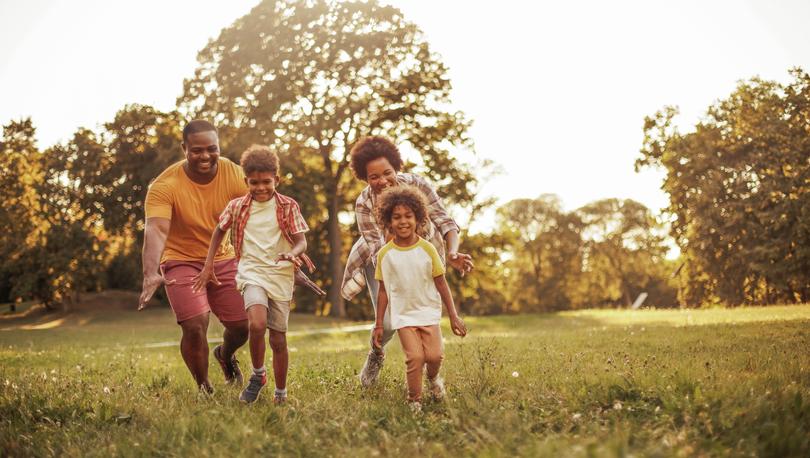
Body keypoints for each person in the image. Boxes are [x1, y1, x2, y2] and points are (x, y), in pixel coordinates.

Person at [341, 136, 474, 387]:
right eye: (374, 177)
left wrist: (453, 253)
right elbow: (378, 250)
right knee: (390, 322)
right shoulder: (364, 203)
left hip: (422, 256)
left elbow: (445, 221)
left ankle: (430, 370)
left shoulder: (417, 185)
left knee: (423, 311)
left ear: (396, 168)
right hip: (383, 258)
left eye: (387, 173)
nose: (382, 181)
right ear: (365, 178)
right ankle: (376, 354)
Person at [193, 145, 314, 404]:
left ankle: (280, 393)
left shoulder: (287, 206)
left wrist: (293, 253)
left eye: (266, 182)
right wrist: (208, 264)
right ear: (245, 181)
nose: (261, 188)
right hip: (251, 273)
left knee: (279, 339)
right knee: (256, 325)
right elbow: (218, 231)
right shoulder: (237, 207)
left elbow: (301, 241)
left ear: (277, 180)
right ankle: (258, 374)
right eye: (254, 182)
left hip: (280, 275)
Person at [138, 120, 249, 393]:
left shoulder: (234, 174)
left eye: (212, 149)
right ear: (184, 148)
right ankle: (204, 387)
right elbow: (156, 228)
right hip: (181, 259)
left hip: (223, 258)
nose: (206, 156)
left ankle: (224, 354)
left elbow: (259, 214)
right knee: (195, 325)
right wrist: (151, 272)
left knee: (242, 326)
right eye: (197, 150)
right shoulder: (165, 185)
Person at [371, 185, 467, 411]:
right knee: (415, 357)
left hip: (428, 312)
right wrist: (378, 324)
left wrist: (453, 316)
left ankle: (433, 379)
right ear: (388, 221)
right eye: (396, 217)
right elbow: (383, 291)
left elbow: (441, 284)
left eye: (408, 216)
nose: (403, 222)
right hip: (403, 315)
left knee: (434, 356)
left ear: (418, 218)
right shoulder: (385, 254)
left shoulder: (428, 249)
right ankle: (414, 400)